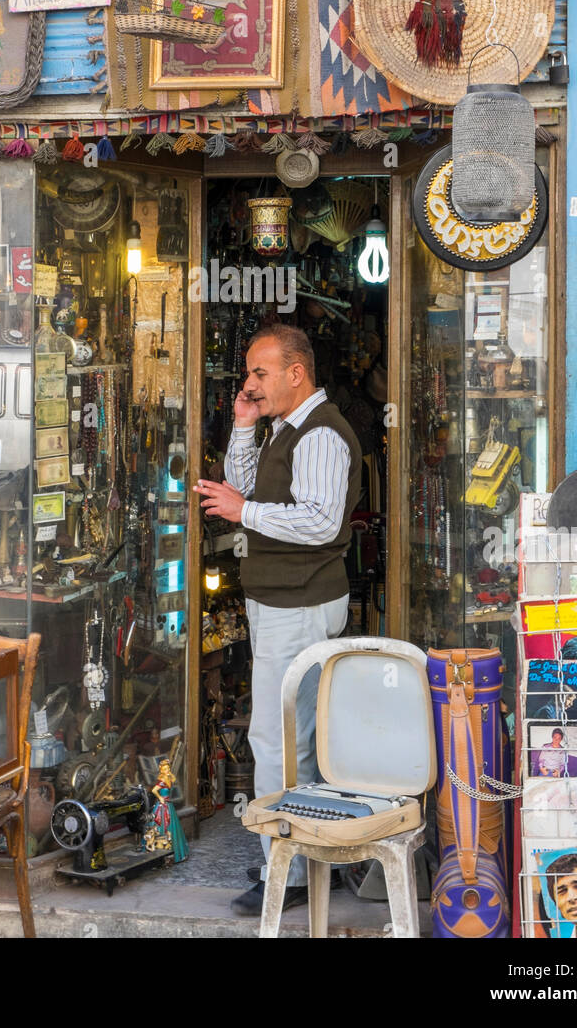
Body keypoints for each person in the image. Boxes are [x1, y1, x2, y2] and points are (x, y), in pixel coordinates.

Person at [194, 325, 361, 917]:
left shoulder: (320, 435)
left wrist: (244, 510)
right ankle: (294, 852)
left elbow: (319, 522)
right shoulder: (284, 431)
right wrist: (243, 426)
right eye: (248, 374)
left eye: (260, 374)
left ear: (297, 372)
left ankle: (284, 869)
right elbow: (243, 493)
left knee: (277, 736)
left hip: (299, 602)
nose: (250, 384)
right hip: (279, 601)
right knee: (291, 735)